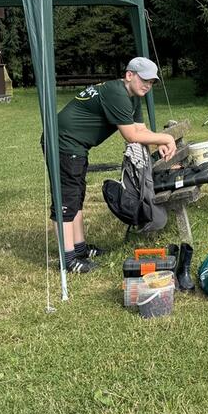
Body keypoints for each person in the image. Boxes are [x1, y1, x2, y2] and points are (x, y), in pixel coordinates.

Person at [50, 57, 177, 273]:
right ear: (129, 75)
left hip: (77, 145)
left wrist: (159, 141)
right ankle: (68, 258)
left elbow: (140, 129)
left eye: (152, 82)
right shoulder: (117, 93)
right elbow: (130, 135)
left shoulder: (133, 96)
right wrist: (166, 138)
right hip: (63, 142)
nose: (148, 85)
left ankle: (80, 249)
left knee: (76, 196)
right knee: (67, 199)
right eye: (144, 79)